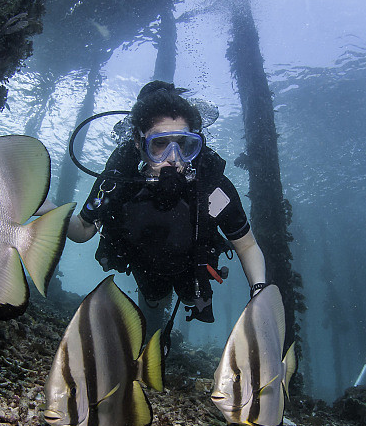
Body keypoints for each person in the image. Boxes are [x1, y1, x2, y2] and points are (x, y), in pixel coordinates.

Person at [66, 81, 268, 346]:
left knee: (192, 297)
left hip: (192, 268)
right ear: (139, 143)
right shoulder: (119, 179)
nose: (174, 158)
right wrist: (45, 210)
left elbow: (247, 245)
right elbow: (83, 229)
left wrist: (259, 292)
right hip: (145, 265)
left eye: (183, 144)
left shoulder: (210, 185)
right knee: (153, 298)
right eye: (160, 144)